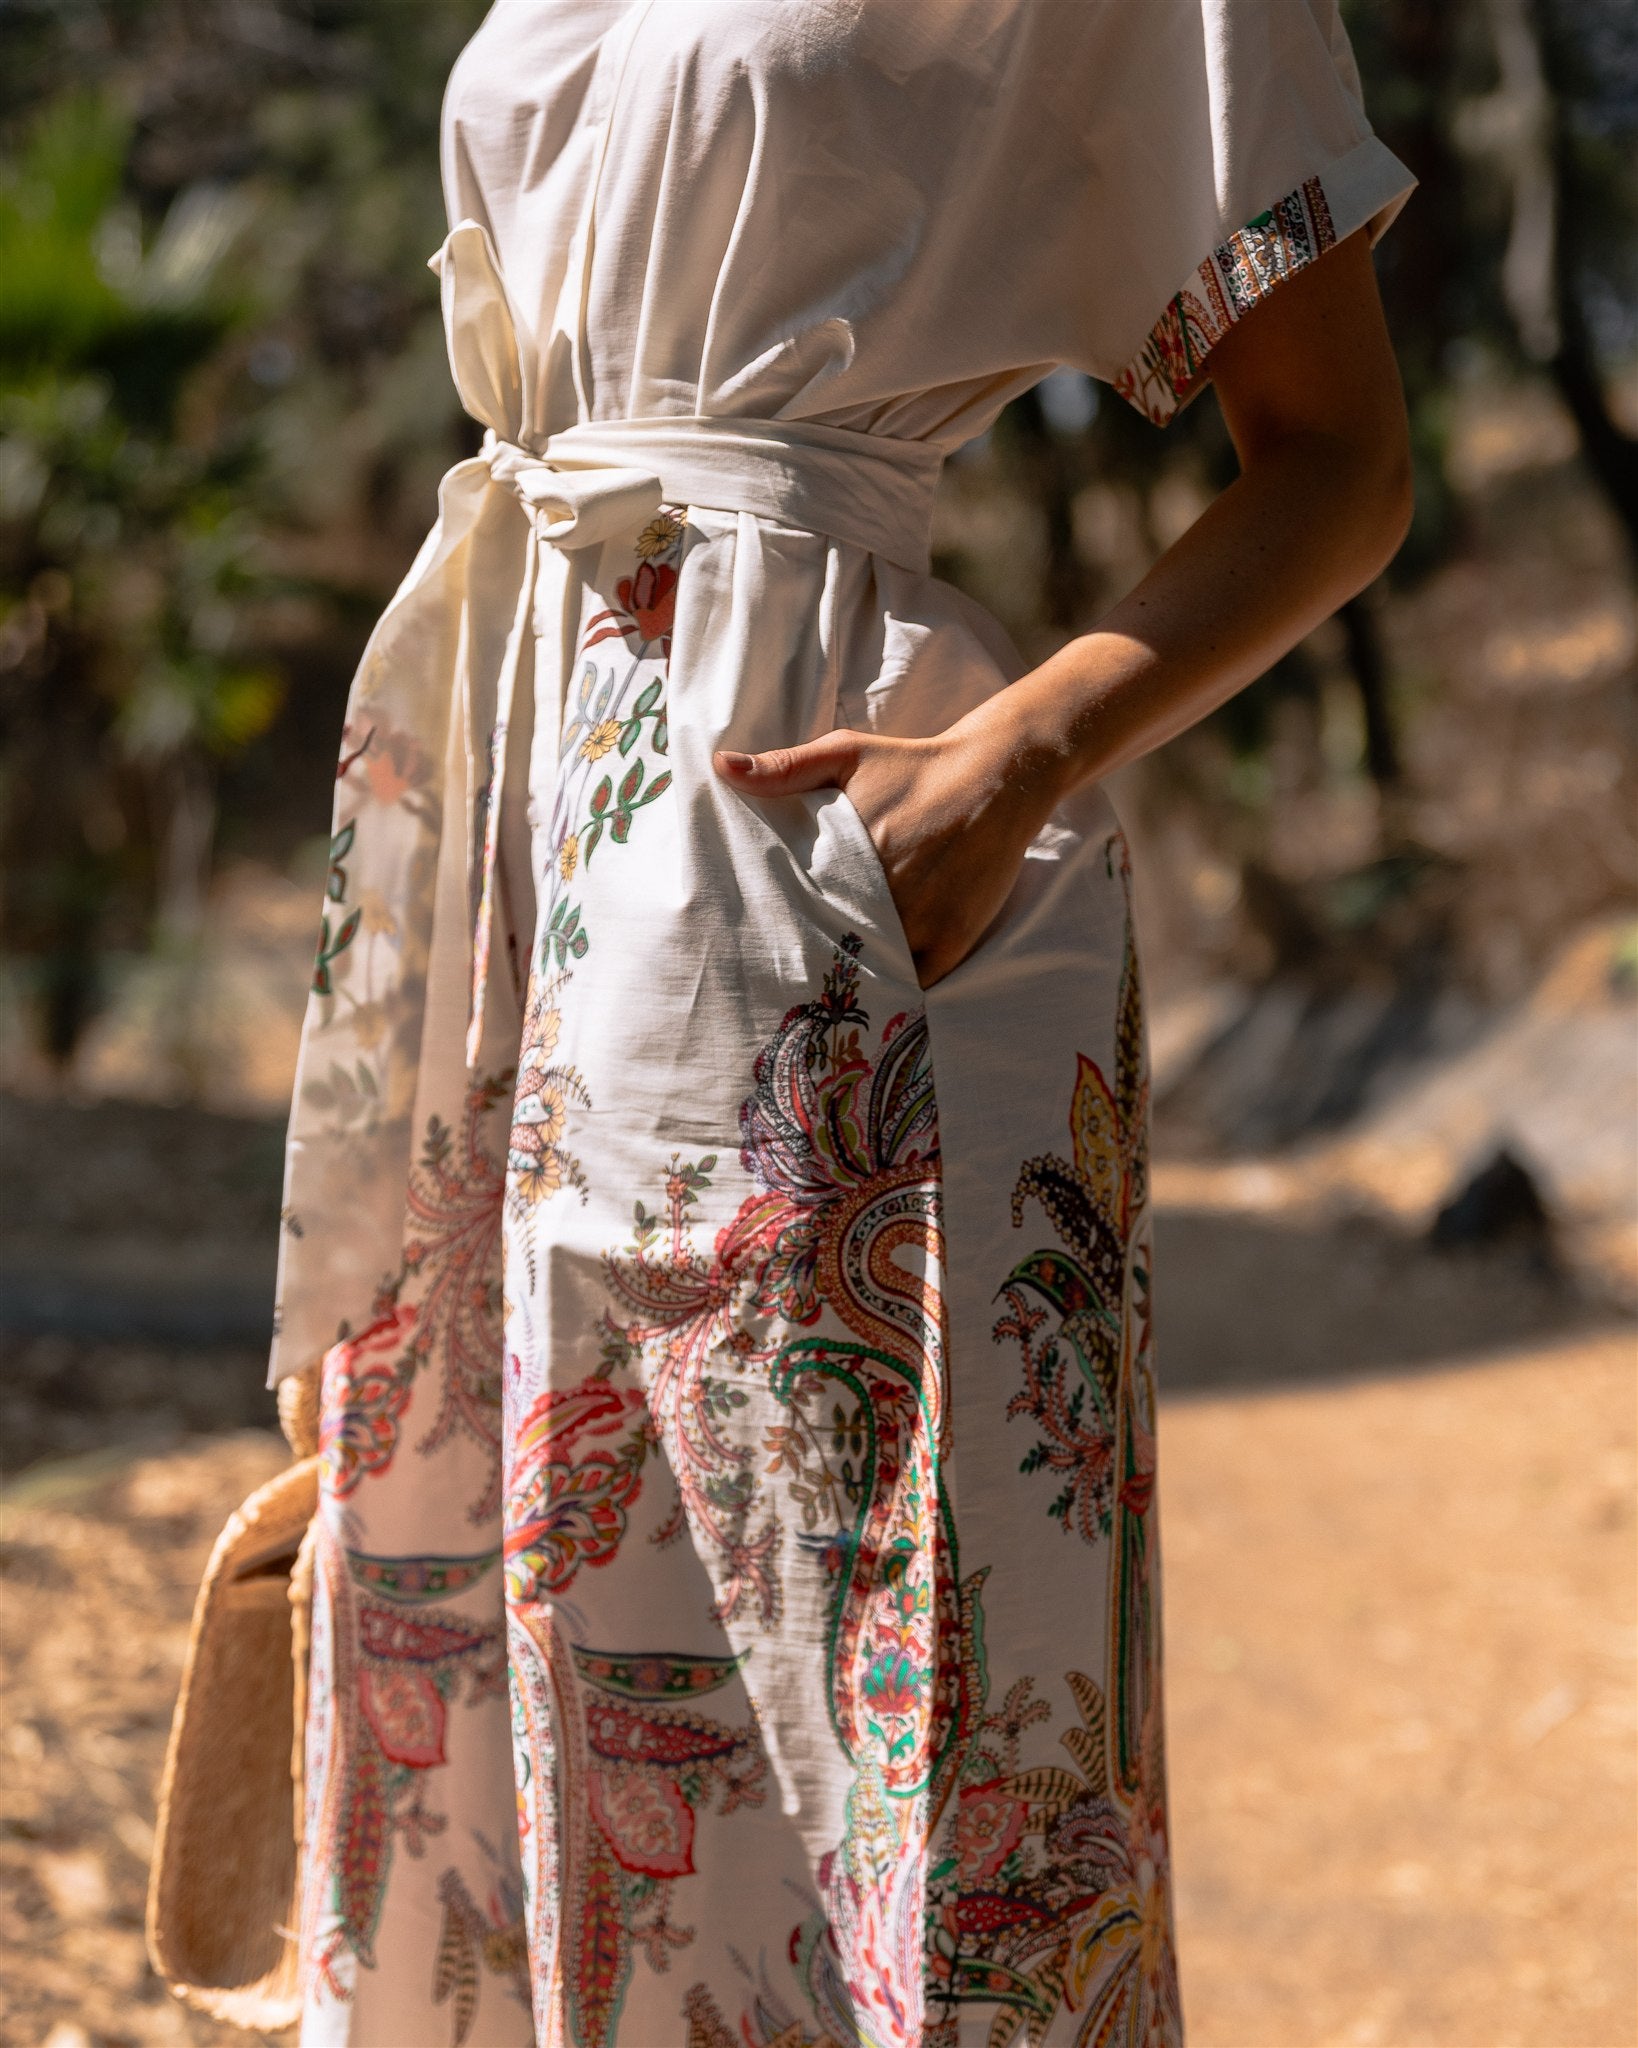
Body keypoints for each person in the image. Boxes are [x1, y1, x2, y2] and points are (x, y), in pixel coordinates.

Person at [268, 3, 1415, 2042]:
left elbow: (1340, 462)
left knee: (899, 1771)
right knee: (553, 1733)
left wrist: (1014, 758)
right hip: (521, 822)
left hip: (823, 858)